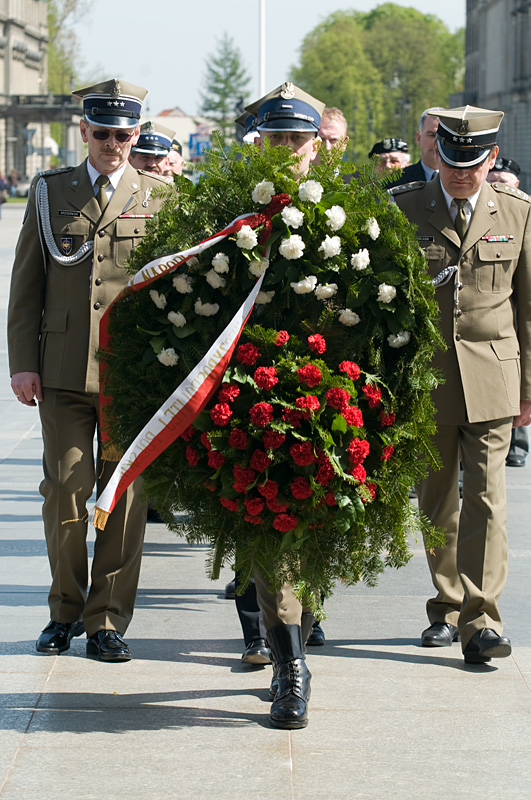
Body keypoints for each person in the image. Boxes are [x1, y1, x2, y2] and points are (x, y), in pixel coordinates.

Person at [7, 78, 169, 663]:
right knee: (67, 492)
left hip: (130, 377)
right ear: (84, 132)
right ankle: (64, 610)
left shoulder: (158, 197)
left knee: (125, 499)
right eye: (102, 133)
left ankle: (107, 620)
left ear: (136, 135)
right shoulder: (52, 193)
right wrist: (23, 364)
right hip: (63, 373)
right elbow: (27, 287)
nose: (114, 144)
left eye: (125, 134)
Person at [392, 105, 531, 664]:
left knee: (487, 499)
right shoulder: (407, 208)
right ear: (437, 155)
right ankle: (446, 605)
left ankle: (480, 619)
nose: (459, 173)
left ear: (490, 158)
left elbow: (528, 308)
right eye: (450, 161)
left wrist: (529, 388)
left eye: (471, 164)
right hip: (427, 378)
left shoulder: (517, 213)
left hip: (495, 374)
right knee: (437, 501)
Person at [233, 81, 326, 728]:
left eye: (297, 139)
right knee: (271, 534)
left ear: (316, 147)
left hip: (329, 401)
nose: (287, 149)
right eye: (276, 139)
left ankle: (300, 631)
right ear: (258, 144)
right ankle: (287, 668)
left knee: (317, 537)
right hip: (255, 401)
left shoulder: (348, 210)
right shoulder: (231, 211)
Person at [487, 156, 530, 468]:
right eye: (494, 181)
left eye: (504, 182)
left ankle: (519, 440)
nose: (498, 186)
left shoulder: (522, 211)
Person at [387, 108, 441, 187]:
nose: (436, 142)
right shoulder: (396, 181)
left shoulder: (461, 181)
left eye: (441, 136)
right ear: (419, 138)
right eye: (431, 135)